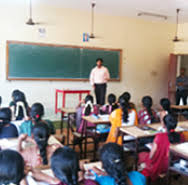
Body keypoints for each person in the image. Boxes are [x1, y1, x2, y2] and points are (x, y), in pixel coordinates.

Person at [138, 114, 181, 181]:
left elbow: (151, 156)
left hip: (159, 165)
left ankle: (140, 176)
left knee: (141, 155)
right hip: (171, 164)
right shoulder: (179, 136)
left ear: (163, 124)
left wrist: (152, 148)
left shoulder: (160, 136)